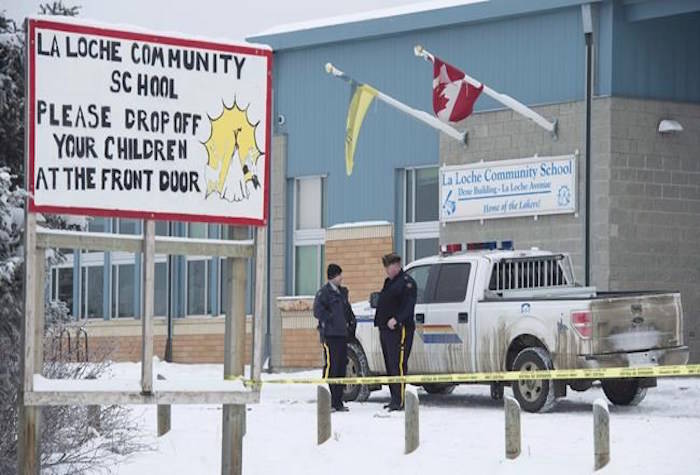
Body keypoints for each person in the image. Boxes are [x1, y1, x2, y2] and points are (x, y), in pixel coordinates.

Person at [374, 253, 417, 411]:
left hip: (400, 329)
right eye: (385, 267)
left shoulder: (406, 283)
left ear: (397, 265)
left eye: (389, 266)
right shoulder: (390, 282)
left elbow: (408, 306)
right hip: (386, 330)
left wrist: (397, 319)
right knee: (390, 364)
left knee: (398, 363)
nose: (387, 270)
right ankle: (394, 398)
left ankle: (400, 400)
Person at [313, 263, 356, 412]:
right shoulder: (324, 293)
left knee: (341, 367)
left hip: (342, 335)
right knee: (332, 367)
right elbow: (317, 311)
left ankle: (338, 401)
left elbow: (347, 310)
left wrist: (351, 324)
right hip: (330, 336)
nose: (341, 277)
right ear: (332, 276)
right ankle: (328, 400)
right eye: (339, 275)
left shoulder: (342, 293)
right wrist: (331, 318)